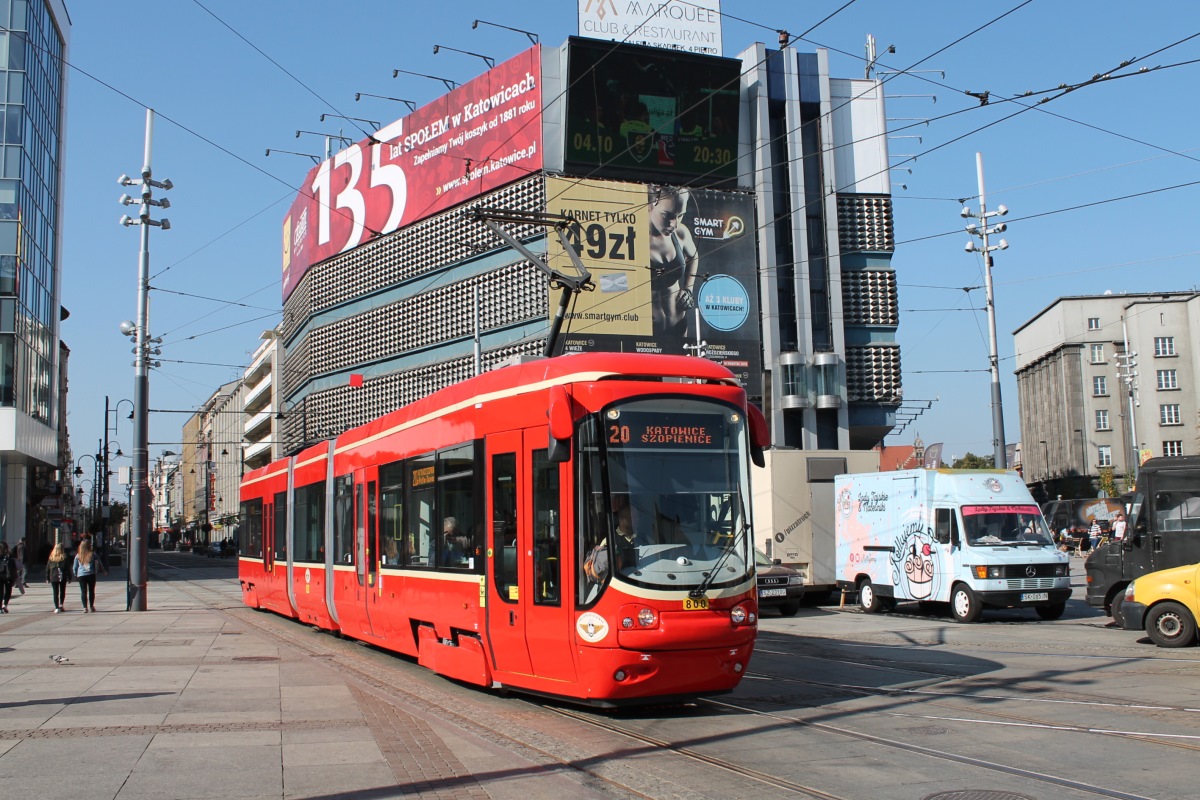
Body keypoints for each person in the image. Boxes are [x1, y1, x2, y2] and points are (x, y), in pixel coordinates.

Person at [648, 184, 700, 347]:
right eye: (667, 215)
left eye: (680, 215)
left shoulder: (680, 233)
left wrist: (688, 289)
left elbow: (694, 256)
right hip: (649, 331)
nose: (674, 224)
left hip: (679, 323)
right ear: (650, 205)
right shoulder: (634, 237)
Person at [583, 504, 636, 584]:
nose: (637, 520)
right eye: (633, 517)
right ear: (621, 519)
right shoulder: (609, 541)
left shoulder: (646, 538)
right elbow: (602, 572)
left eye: (638, 517)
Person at [73, 538, 107, 613]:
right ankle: (91, 606)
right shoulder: (93, 554)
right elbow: (100, 563)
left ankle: (85, 607)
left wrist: (75, 574)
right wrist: (103, 571)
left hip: (81, 575)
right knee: (91, 591)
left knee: (83, 591)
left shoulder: (78, 555)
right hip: (91, 574)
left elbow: (75, 567)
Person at [46, 542, 70, 613]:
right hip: (62, 576)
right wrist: (69, 577)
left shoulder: (51, 557)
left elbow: (47, 568)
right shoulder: (64, 557)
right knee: (62, 591)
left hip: (53, 576)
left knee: (55, 592)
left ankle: (56, 607)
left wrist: (47, 577)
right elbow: (67, 568)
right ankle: (61, 604)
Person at [0, 542, 14, 612]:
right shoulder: (9, 555)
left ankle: (0, 608)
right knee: (8, 591)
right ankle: (5, 605)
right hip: (8, 576)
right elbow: (14, 565)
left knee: (0, 592)